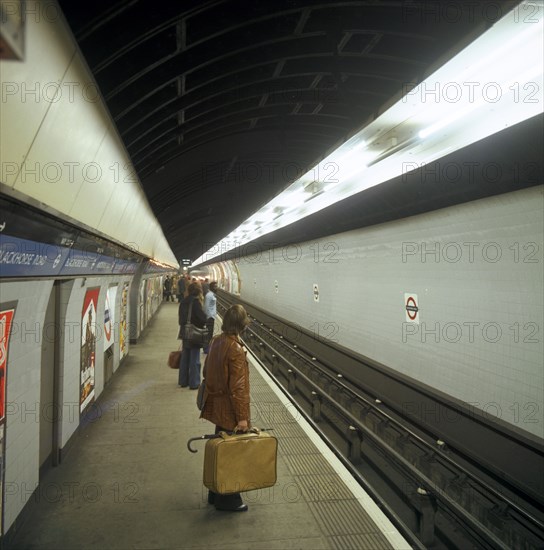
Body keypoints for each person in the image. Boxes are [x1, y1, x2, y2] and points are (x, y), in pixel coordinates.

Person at [200, 304, 251, 512]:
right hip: (230, 408)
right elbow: (238, 388)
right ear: (241, 325)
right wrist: (242, 418)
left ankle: (214, 493)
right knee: (231, 454)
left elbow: (206, 371)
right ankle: (228, 500)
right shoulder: (236, 349)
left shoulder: (216, 341)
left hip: (216, 404)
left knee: (220, 448)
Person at [178, 282, 207, 389]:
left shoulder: (183, 301)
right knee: (195, 359)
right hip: (194, 333)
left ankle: (183, 381)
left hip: (185, 332)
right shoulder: (195, 303)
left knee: (185, 357)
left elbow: (181, 318)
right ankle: (194, 383)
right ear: (198, 291)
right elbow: (202, 319)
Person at [203, 281, 218, 353]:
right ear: (211, 287)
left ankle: (208, 347)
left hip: (212, 317)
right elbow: (206, 307)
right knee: (208, 334)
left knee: (210, 333)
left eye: (216, 286)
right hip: (210, 317)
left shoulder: (212, 295)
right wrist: (209, 316)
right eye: (215, 286)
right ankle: (206, 348)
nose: (216, 288)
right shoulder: (209, 295)